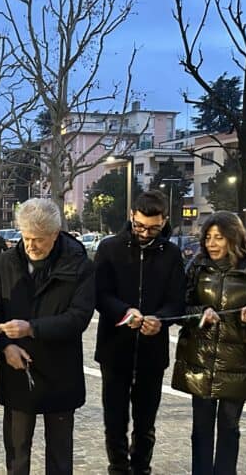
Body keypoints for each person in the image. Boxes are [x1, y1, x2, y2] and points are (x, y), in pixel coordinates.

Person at [0, 198, 95, 475]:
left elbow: (78, 318)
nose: (31, 245)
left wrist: (31, 328)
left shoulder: (79, 265)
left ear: (55, 235)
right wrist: (5, 346)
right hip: (17, 369)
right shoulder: (6, 261)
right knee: (17, 456)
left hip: (61, 371)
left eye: (39, 239)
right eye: (26, 237)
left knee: (59, 458)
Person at [94, 190, 185, 475]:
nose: (146, 233)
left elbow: (177, 300)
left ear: (164, 220)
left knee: (146, 422)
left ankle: (142, 468)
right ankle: (118, 468)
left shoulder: (171, 253)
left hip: (152, 351)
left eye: (154, 228)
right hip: (114, 347)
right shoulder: (109, 248)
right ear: (131, 216)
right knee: (115, 419)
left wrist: (161, 319)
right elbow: (99, 294)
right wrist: (125, 311)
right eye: (140, 226)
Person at [173, 211, 246, 475]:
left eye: (219, 238)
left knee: (229, 428)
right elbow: (182, 305)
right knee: (200, 429)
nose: (212, 243)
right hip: (201, 358)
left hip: (239, 362)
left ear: (233, 239)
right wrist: (199, 313)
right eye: (208, 237)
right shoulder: (197, 267)